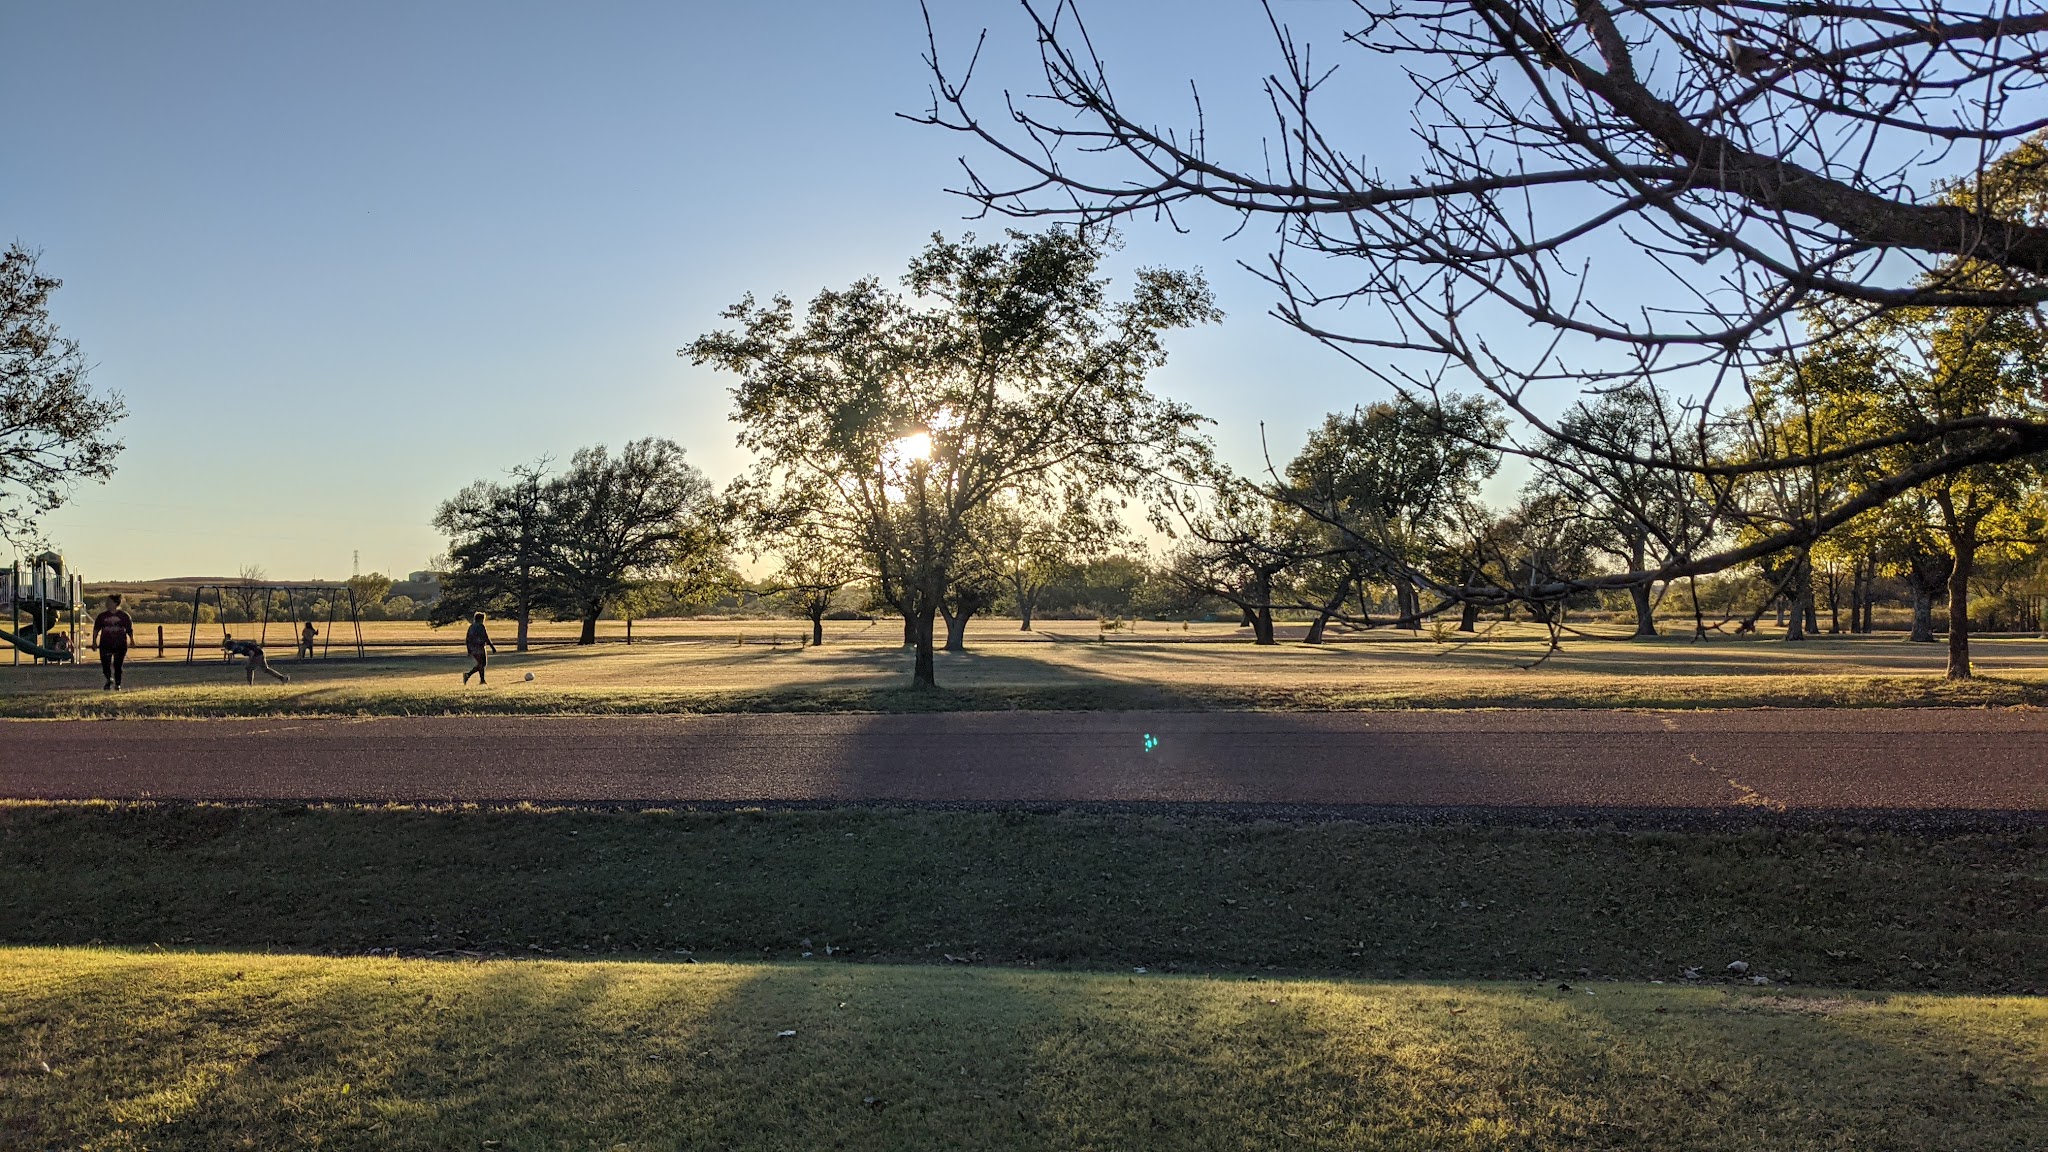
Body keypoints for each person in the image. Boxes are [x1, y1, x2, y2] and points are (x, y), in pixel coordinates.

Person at [91, 594, 134, 690]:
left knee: (118, 665)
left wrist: (132, 640)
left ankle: (118, 683)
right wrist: (94, 641)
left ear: (115, 603)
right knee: (105, 664)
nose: (107, 604)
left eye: (109, 602)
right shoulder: (102, 616)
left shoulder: (124, 616)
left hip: (120, 644)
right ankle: (108, 679)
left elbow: (129, 629)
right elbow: (96, 629)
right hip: (105, 643)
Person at [222, 634, 290, 684]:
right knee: (266, 669)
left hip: (256, 655)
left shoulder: (238, 647)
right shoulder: (238, 644)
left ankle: (250, 685)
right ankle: (282, 678)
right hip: (260, 652)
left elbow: (251, 653)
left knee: (249, 668)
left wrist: (248, 661)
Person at [463, 611, 498, 684]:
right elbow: (486, 637)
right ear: (480, 619)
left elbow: (467, 639)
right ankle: (469, 675)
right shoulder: (481, 626)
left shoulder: (471, 627)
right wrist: (492, 647)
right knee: (482, 664)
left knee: (481, 664)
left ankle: (481, 680)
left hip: (473, 648)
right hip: (480, 647)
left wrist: (469, 650)